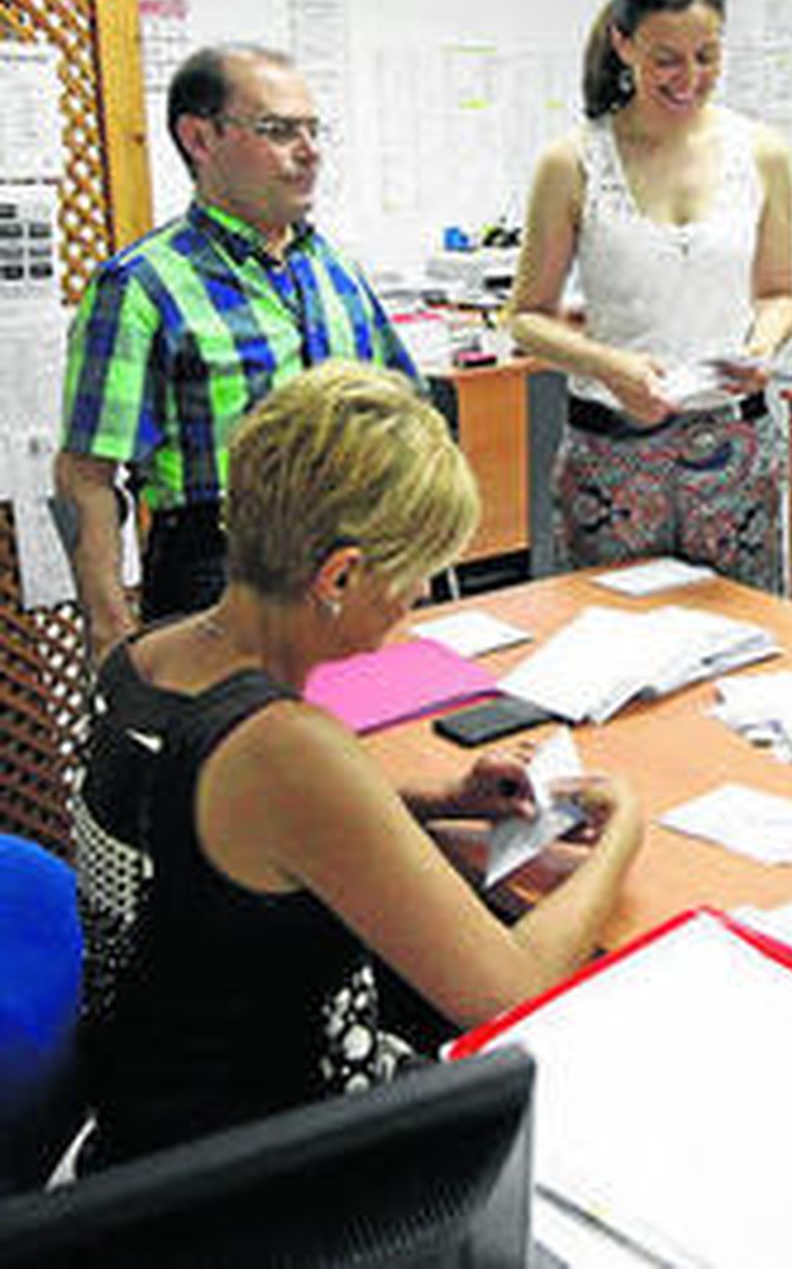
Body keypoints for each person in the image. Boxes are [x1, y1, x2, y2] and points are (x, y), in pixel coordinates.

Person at [72, 363, 642, 1169]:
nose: (419, 595)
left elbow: (225, 837)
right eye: (414, 571)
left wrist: (437, 795)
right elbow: (512, 990)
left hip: (150, 1111)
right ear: (339, 575)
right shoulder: (284, 746)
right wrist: (625, 831)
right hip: (263, 1169)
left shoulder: (142, 658)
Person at [56, 43, 418, 663]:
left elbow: (405, 414)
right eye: (279, 131)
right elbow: (85, 477)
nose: (309, 151)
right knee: (246, 727)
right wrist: (111, 636)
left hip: (351, 556)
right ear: (200, 138)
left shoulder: (334, 271)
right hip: (219, 569)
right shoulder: (141, 286)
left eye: (314, 130)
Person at [505, 0, 792, 592]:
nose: (688, 78)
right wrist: (610, 366)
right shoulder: (573, 162)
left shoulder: (762, 153)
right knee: (613, 637)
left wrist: (762, 346)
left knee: (747, 638)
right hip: (611, 461)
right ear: (623, 42)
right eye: (666, 59)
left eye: (707, 56)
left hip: (737, 458)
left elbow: (778, 292)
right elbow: (526, 317)